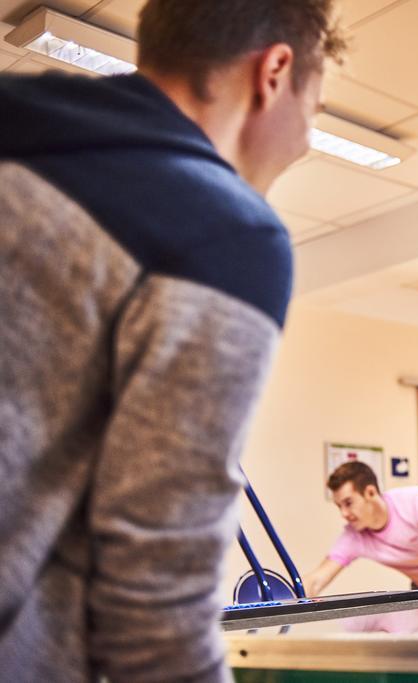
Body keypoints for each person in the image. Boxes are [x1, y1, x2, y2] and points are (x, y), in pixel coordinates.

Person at [0, 1, 344, 680]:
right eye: (310, 117)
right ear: (273, 72)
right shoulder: (223, 232)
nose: (301, 144)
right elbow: (155, 606)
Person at [305, 462, 418, 596]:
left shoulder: (414, 501)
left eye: (348, 503)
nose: (344, 514)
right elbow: (317, 579)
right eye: (339, 506)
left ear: (370, 492)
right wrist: (289, 595)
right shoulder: (354, 536)